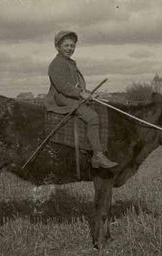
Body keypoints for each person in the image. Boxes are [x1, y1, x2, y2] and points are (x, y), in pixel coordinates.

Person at [45, 31, 118, 169]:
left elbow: (76, 85)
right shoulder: (57, 64)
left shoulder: (69, 62)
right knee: (92, 117)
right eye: (66, 45)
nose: (69, 48)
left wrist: (89, 93)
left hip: (69, 96)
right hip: (61, 98)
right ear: (58, 47)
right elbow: (63, 86)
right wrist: (81, 94)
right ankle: (97, 156)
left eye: (72, 46)